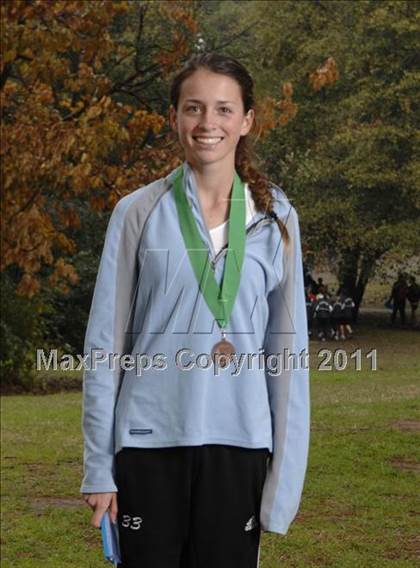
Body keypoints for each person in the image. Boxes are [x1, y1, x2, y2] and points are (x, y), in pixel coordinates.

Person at [80, 52, 310, 568]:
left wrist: (284, 482)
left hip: (240, 444)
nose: (208, 123)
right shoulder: (137, 212)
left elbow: (288, 358)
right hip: (147, 444)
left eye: (224, 110)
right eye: (194, 108)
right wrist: (99, 465)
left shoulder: (277, 217)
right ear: (174, 117)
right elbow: (104, 344)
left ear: (247, 120)